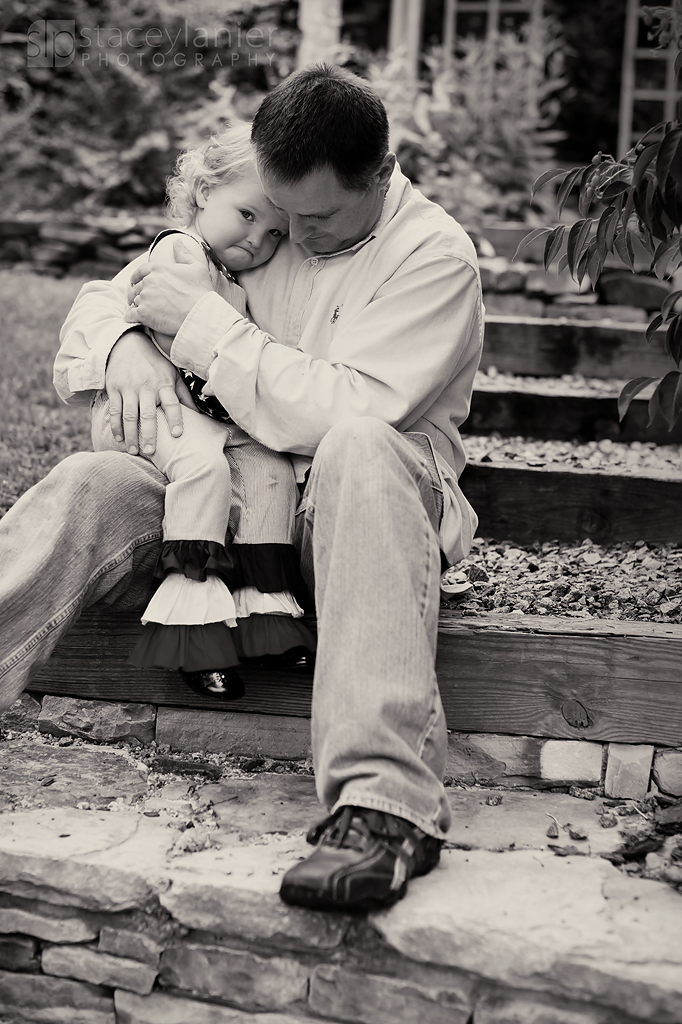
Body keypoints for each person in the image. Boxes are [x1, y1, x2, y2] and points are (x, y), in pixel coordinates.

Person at [0, 63, 483, 913]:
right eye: (280, 213)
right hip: (223, 507)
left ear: (381, 173)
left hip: (360, 515)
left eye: (321, 217)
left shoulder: (434, 255)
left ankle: (383, 808)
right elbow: (104, 302)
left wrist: (203, 325)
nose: (291, 237)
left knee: (361, 446)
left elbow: (342, 410)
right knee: (92, 482)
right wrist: (126, 344)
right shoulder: (272, 219)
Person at [90, 121, 314, 702]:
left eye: (273, 233)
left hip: (203, 415)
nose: (257, 240)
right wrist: (128, 343)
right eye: (247, 215)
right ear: (204, 191)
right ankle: (193, 631)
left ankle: (266, 614)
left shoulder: (231, 273)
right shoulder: (181, 251)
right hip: (147, 412)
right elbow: (133, 310)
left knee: (267, 466)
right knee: (204, 471)